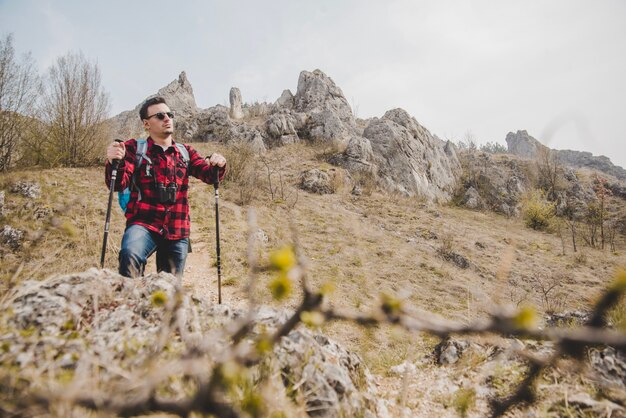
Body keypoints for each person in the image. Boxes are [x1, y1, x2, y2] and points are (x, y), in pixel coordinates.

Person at [105, 96, 226, 278]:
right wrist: (114, 160)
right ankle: (130, 302)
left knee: (169, 293)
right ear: (146, 124)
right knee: (130, 255)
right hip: (143, 224)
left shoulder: (185, 152)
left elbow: (209, 175)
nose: (167, 118)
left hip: (177, 230)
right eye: (160, 116)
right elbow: (118, 183)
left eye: (170, 114)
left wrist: (218, 164)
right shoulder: (133, 149)